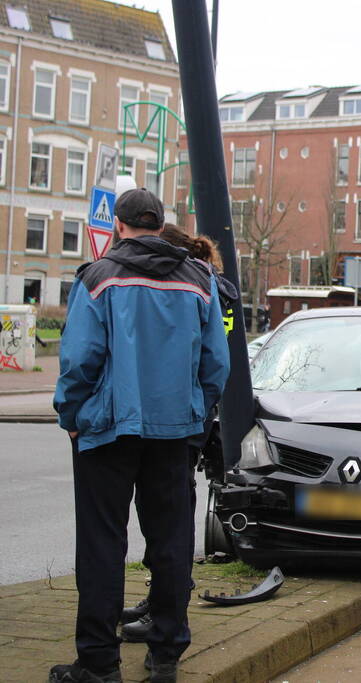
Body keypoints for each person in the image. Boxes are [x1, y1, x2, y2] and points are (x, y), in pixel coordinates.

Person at [51, 189, 230, 683]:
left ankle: (99, 663)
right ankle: (166, 655)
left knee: (102, 543)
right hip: (175, 430)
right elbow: (216, 362)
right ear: (159, 224)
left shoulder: (97, 277)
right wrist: (197, 411)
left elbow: (80, 360)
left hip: (108, 429)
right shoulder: (199, 279)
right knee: (172, 540)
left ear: (119, 226)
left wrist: (71, 413)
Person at [119, 224, 239, 644]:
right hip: (191, 414)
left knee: (166, 516)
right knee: (166, 513)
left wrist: (192, 406)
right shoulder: (213, 286)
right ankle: (162, 599)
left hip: (182, 418)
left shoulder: (199, 289)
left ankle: (168, 605)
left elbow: (210, 358)